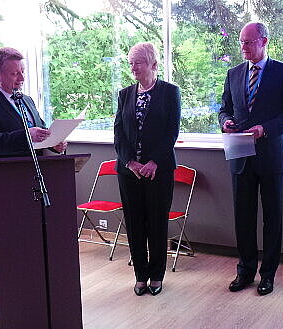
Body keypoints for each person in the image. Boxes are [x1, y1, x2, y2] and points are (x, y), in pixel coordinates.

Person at [218, 22, 283, 295]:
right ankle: (245, 271)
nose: (243, 47)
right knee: (243, 217)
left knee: (272, 219)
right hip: (240, 155)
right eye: (241, 42)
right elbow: (224, 109)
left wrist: (265, 129)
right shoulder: (233, 73)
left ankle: (268, 275)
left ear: (264, 41)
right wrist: (226, 121)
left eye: (249, 42)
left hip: (271, 157)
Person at [114, 42, 181, 296]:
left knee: (156, 223)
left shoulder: (170, 92)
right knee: (134, 224)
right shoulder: (125, 94)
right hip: (129, 172)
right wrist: (130, 162)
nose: (133, 68)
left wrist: (153, 162)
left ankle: (157, 276)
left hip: (159, 171)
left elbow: (171, 132)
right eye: (130, 62)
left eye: (138, 62)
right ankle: (140, 275)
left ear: (153, 64)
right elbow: (119, 132)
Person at [0, 47, 66, 220]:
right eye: (15, 74)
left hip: (32, 184)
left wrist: (54, 144)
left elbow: (40, 130)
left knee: (34, 242)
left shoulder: (25, 100)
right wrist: (27, 136)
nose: (21, 78)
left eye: (23, 72)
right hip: (2, 186)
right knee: (12, 244)